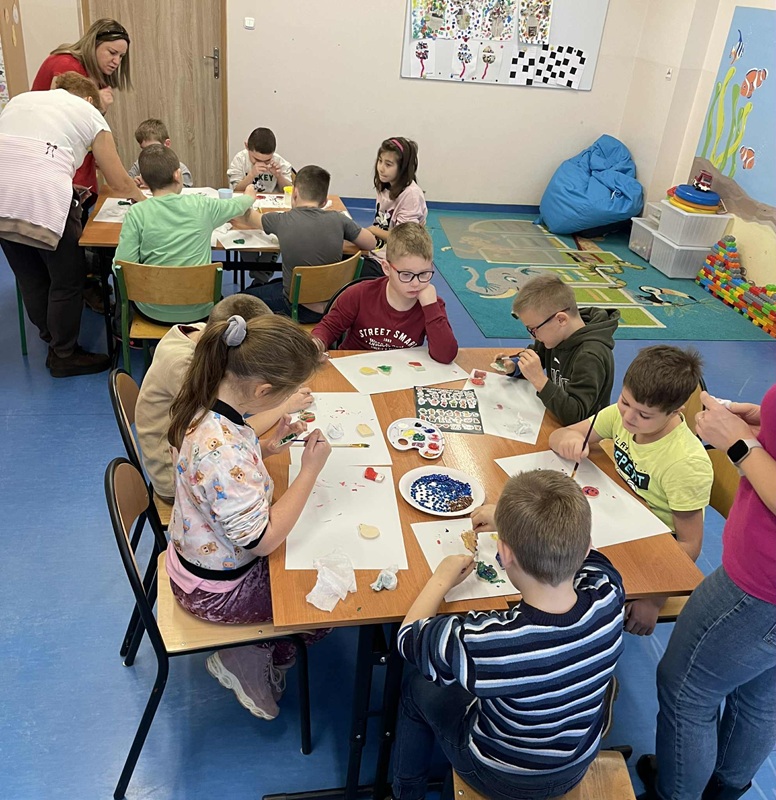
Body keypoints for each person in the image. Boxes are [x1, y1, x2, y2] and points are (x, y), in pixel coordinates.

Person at [391, 470, 625, 800]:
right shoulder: (609, 593)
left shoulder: (491, 643)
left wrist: (441, 579)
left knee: (416, 686)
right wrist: (507, 519)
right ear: (585, 547)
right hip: (576, 762)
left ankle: (406, 791)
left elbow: (408, 638)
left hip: (501, 775)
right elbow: (594, 556)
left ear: (504, 553)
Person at [166, 314, 331, 720]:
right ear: (263, 391)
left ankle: (263, 647)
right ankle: (245, 654)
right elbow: (263, 540)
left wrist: (268, 447)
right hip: (216, 590)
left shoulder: (208, 401)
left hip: (200, 560)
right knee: (324, 607)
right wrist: (309, 471)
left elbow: (224, 462)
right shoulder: (222, 452)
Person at [637, 387, 776, 800]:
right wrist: (765, 421)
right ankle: (721, 787)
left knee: (686, 690)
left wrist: (740, 444)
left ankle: (676, 793)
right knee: (759, 696)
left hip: (759, 585)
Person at [549, 345, 713, 636]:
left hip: (653, 547)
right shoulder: (619, 415)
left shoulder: (686, 463)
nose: (628, 418)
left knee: (562, 582)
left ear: (675, 411)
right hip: (618, 515)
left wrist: (655, 597)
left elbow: (689, 544)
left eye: (644, 415)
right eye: (625, 401)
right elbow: (561, 434)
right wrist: (568, 440)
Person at [0, 72, 145, 377]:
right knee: (67, 278)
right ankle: (64, 354)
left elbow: (23, 156)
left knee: (30, 277)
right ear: (90, 98)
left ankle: (52, 339)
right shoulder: (90, 113)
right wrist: (147, 202)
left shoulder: (20, 100)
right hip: (44, 195)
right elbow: (119, 182)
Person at [135, 293, 314, 503]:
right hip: (175, 479)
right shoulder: (186, 369)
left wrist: (266, 447)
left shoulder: (211, 335)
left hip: (198, 456)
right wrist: (284, 405)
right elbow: (226, 432)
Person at [113, 144, 262, 323]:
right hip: (200, 309)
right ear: (178, 175)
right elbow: (237, 205)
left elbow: (120, 266)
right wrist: (249, 195)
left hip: (152, 309)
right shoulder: (202, 205)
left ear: (143, 181)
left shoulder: (136, 213)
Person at [244, 165, 376, 324]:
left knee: (241, 299)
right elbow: (371, 243)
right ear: (324, 201)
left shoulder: (281, 220)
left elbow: (250, 217)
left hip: (296, 308)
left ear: (295, 193)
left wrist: (248, 198)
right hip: (334, 306)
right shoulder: (339, 219)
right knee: (274, 285)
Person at [311, 222, 457, 363]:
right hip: (355, 366)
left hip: (402, 370)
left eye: (424, 274)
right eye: (406, 275)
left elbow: (445, 355)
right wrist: (316, 345)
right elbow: (329, 328)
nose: (416, 283)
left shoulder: (431, 304)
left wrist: (431, 307)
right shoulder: (360, 294)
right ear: (386, 268)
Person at [493, 274, 619, 425]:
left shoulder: (590, 356)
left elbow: (576, 416)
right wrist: (514, 365)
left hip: (584, 432)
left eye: (533, 329)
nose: (532, 336)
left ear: (561, 319)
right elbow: (536, 356)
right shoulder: (556, 336)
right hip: (556, 417)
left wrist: (540, 381)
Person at [32, 18, 132, 197]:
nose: (116, 61)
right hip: (55, 166)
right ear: (94, 44)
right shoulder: (66, 65)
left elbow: (87, 130)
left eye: (121, 56)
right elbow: (58, 123)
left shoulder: (97, 76)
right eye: (112, 52)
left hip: (79, 169)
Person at [227, 126, 293, 287]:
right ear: (246, 147)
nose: (262, 163)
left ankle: (259, 278)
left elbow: (289, 192)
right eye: (256, 159)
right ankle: (259, 278)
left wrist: (279, 176)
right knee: (240, 232)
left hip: (272, 211)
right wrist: (251, 175)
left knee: (279, 235)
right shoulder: (240, 160)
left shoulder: (280, 162)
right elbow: (236, 190)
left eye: (267, 160)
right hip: (246, 209)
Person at [361, 136, 427, 278]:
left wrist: (373, 230)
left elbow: (403, 240)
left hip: (394, 263)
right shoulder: (386, 186)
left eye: (388, 164)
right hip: (377, 252)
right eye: (380, 161)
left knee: (348, 274)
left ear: (402, 168)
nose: (381, 168)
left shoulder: (411, 195)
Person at [128, 118, 193, 188]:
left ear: (167, 144)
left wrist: (153, 188)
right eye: (144, 149)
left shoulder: (180, 169)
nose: (148, 154)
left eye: (153, 148)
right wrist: (133, 184)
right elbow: (126, 183)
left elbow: (185, 192)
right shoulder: (139, 165)